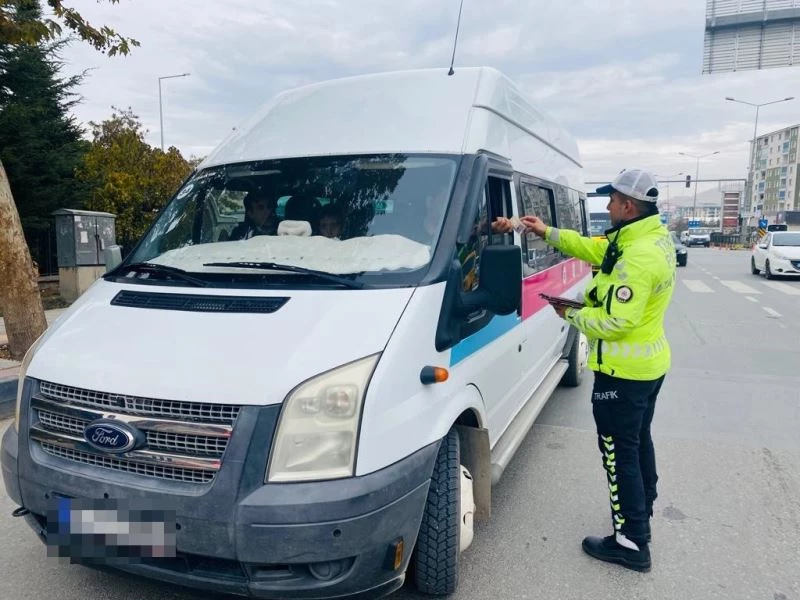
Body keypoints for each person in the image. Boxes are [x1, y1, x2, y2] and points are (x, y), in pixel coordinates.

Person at [520, 169, 676, 573]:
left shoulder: (637, 257)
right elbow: (592, 247)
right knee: (637, 441)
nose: (607, 206)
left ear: (628, 206)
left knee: (618, 453)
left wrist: (572, 314)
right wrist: (546, 231)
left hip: (623, 372)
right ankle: (643, 504)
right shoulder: (645, 237)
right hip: (647, 367)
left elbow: (615, 322)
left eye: (612, 200)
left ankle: (631, 542)